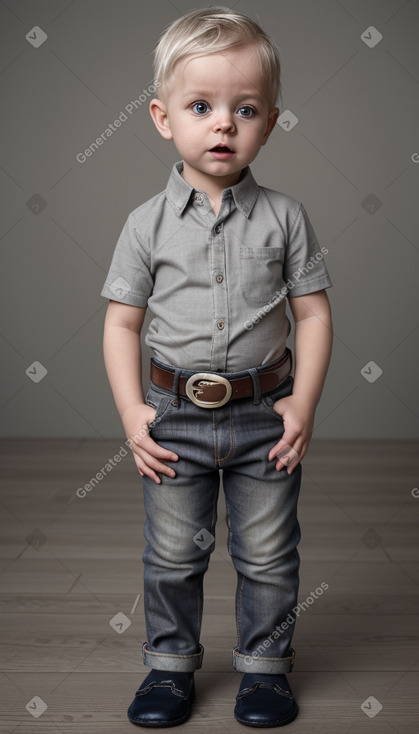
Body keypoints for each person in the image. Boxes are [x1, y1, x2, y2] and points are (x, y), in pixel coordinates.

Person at [101, 6, 333, 728]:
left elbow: (313, 316)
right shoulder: (145, 224)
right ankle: (169, 668)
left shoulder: (286, 218)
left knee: (267, 555)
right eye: (201, 106)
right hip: (173, 415)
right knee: (172, 555)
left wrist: (302, 406)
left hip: (265, 415)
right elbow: (121, 323)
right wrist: (131, 412)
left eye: (245, 109)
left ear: (269, 122)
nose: (223, 124)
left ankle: (264, 671)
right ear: (163, 117)